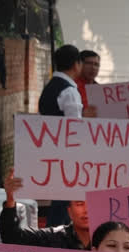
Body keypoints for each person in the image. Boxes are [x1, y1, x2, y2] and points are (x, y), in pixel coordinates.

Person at [38, 44, 84, 226]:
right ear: (76, 64)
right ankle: (56, 236)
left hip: (51, 150)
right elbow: (75, 128)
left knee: (61, 198)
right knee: (64, 201)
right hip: (66, 153)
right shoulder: (69, 91)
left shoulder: (49, 88)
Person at [1, 169, 90, 250]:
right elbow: (12, 238)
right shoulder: (55, 237)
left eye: (91, 204)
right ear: (69, 211)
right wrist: (10, 200)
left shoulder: (103, 242)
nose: (86, 210)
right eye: (79, 204)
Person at [74, 49, 100, 115]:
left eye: (96, 64)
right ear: (79, 64)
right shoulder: (72, 87)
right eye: (89, 63)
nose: (93, 67)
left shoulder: (101, 89)